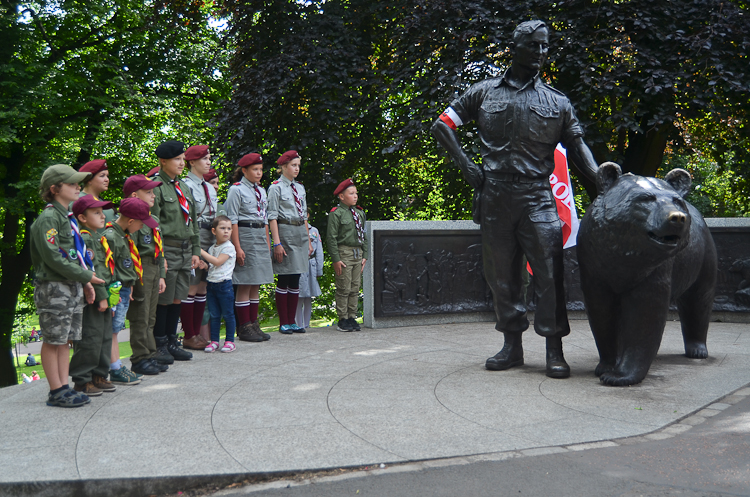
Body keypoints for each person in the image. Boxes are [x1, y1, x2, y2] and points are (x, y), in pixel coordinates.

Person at [431, 20, 599, 378]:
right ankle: (512, 346)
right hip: (494, 196)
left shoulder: (557, 101)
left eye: (545, 46)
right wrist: (465, 165)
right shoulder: (484, 92)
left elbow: (578, 145)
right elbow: (442, 126)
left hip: (537, 196)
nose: (540, 52)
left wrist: (601, 179)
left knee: (550, 274)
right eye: (534, 45)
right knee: (501, 275)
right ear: (516, 47)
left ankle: (555, 348)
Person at [29, 164, 104, 407]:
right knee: (53, 340)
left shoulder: (65, 217)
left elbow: (72, 254)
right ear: (54, 189)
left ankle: (63, 386)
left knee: (64, 339)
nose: (77, 187)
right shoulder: (49, 218)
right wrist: (86, 277)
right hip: (54, 287)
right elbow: (52, 257)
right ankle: (55, 390)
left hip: (69, 285)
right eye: (71, 184)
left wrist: (84, 282)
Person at [101, 197, 159, 385]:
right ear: (132, 221)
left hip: (124, 289)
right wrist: (113, 295)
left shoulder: (123, 235)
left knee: (115, 329)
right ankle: (114, 368)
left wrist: (130, 285)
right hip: (115, 291)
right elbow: (109, 268)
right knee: (112, 330)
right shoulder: (111, 237)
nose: (143, 227)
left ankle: (117, 366)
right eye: (142, 223)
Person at [150, 140, 198, 362]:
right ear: (163, 161)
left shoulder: (184, 187)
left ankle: (172, 340)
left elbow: (193, 222)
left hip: (185, 250)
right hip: (167, 250)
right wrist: (160, 256)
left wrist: (196, 250)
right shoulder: (156, 187)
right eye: (177, 159)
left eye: (183, 159)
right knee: (164, 298)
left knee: (179, 297)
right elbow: (154, 225)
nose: (182, 163)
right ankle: (159, 342)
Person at [69, 195, 118, 397]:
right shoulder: (85, 238)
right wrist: (101, 296)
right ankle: (82, 380)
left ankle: (99, 375)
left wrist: (113, 292)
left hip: (106, 294)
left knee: (104, 337)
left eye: (102, 212)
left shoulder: (100, 237)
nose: (102, 216)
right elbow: (91, 268)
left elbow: (107, 267)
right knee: (90, 338)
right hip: (94, 297)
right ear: (82, 217)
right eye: (96, 213)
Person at [123, 175, 169, 376]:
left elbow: (159, 250)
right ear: (134, 195)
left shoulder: (153, 219)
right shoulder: (132, 220)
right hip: (140, 268)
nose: (153, 195)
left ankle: (150, 353)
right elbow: (130, 250)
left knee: (150, 316)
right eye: (148, 192)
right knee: (140, 316)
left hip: (153, 267)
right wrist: (133, 279)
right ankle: (140, 358)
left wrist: (161, 274)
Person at [225, 153, 273, 342]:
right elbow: (233, 219)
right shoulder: (236, 190)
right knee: (245, 282)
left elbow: (265, 218)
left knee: (256, 282)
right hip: (245, 235)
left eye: (260, 169)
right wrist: (237, 247)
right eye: (255, 169)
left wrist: (268, 242)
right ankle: (244, 326)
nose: (259, 173)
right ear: (244, 171)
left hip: (260, 235)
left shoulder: (261, 190)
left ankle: (254, 323)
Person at [267, 150, 313, 334]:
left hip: (300, 232)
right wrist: (276, 243)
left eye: (298, 166)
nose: (297, 169)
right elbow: (272, 217)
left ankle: (293, 321)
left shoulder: (299, 188)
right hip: (285, 231)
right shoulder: (275, 188)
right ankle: (283, 322)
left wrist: (308, 240)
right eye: (293, 165)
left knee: (296, 277)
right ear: (283, 167)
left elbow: (304, 216)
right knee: (284, 276)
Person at [178, 145, 217, 350]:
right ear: (191, 162)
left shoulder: (209, 187)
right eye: (204, 159)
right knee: (191, 286)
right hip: (195, 236)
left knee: (203, 286)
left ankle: (197, 334)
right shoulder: (185, 185)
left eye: (209, 158)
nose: (209, 162)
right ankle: (189, 334)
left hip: (210, 236)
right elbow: (187, 219)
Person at [327, 179, 367, 332]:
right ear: (342, 197)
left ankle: (352, 317)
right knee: (344, 286)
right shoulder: (336, 214)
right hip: (344, 253)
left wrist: (365, 255)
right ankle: (342, 318)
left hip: (358, 253)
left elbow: (364, 235)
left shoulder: (359, 213)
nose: (355, 196)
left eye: (356, 193)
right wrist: (336, 259)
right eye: (351, 193)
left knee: (355, 287)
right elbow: (331, 238)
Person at [200, 215, 238, 352]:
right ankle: (214, 341)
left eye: (229, 228)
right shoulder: (212, 248)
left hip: (224, 286)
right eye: (222, 228)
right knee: (214, 315)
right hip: (211, 285)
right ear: (214, 231)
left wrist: (200, 251)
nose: (226, 231)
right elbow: (212, 266)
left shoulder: (229, 247)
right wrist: (204, 265)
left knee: (228, 314)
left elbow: (217, 262)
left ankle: (229, 341)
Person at [296, 212, 324, 330]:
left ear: (308, 215)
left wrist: (319, 269)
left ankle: (306, 324)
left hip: (311, 265)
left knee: (309, 296)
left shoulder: (314, 231)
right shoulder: (296, 229)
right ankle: (298, 324)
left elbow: (319, 251)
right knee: (299, 295)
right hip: (298, 264)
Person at [78, 159, 116, 232]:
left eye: (107, 176)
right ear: (89, 180)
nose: (107, 179)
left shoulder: (101, 201)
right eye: (102, 176)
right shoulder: (79, 200)